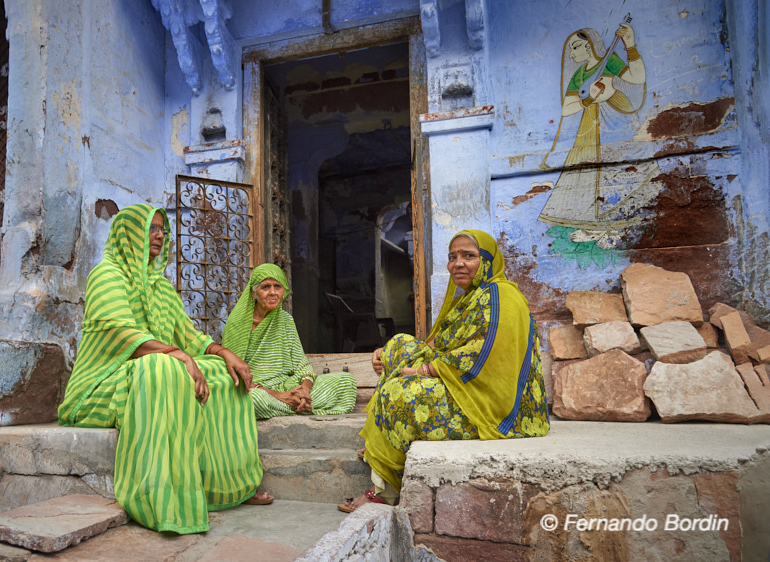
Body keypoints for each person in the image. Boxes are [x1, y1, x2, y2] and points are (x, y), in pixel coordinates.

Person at [58, 203, 272, 535]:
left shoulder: (159, 286)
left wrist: (223, 352)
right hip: (102, 382)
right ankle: (162, 496)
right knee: (163, 368)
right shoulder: (107, 275)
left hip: (150, 371)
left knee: (218, 372)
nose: (159, 235)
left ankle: (228, 484)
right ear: (129, 234)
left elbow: (190, 335)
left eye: (161, 229)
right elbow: (120, 332)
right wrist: (178, 355)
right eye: (151, 228)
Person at [340, 230, 550, 512]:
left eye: (469, 256)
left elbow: (483, 353)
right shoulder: (469, 298)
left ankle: (385, 490)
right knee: (400, 343)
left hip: (494, 403)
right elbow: (434, 344)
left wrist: (425, 370)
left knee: (399, 395)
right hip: (465, 386)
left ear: (487, 261)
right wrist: (388, 354)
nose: (458, 263)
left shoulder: (502, 296)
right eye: (453, 257)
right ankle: (385, 439)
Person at [538, 21, 658, 250]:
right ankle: (595, 225)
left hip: (614, 117)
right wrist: (587, 99)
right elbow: (566, 108)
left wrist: (630, 45)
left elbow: (637, 77)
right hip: (591, 121)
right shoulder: (579, 75)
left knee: (617, 169)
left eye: (576, 47)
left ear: (590, 46)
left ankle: (614, 224)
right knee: (589, 172)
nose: (572, 53)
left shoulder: (608, 62)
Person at [222, 263, 357, 419]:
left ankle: (298, 402)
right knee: (254, 400)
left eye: (277, 287)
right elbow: (233, 374)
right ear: (253, 293)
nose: (272, 293)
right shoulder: (237, 324)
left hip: (289, 386)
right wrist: (278, 395)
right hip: (257, 389)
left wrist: (304, 391)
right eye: (265, 287)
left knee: (346, 381)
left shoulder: (285, 320)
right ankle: (297, 405)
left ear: (283, 291)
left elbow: (302, 365)